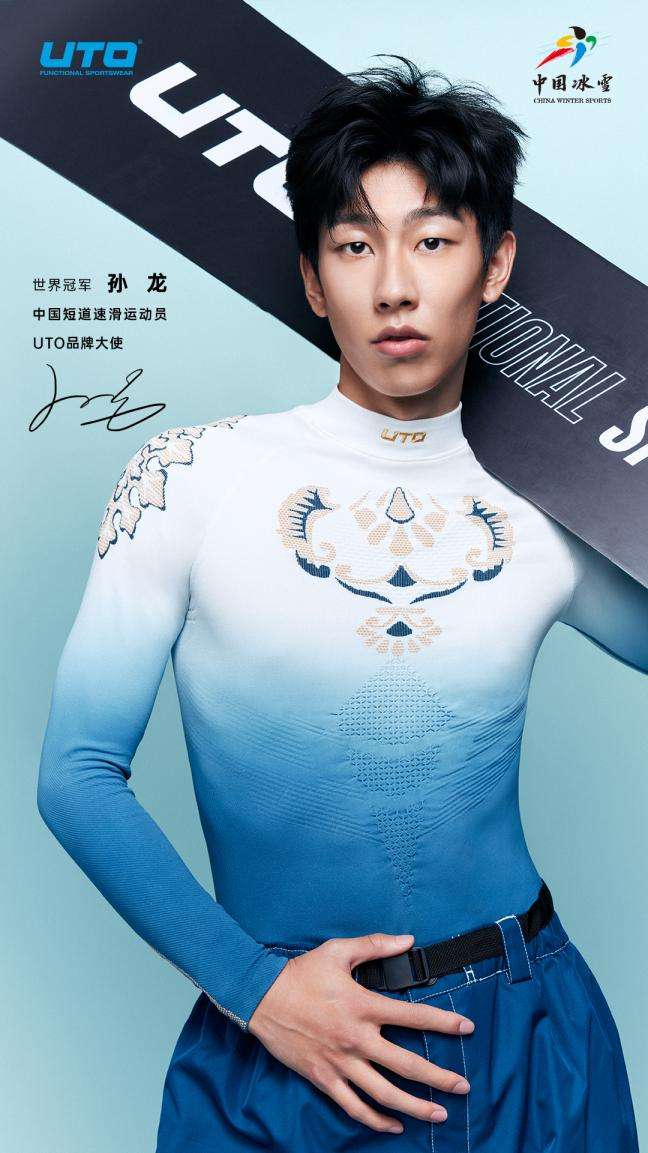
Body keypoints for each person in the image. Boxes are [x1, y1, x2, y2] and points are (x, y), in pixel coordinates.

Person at [37, 57, 647, 1152]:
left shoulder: (556, 508)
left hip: (529, 1032)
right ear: (314, 279)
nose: (396, 287)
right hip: (274, 1038)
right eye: (356, 245)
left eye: (435, 241)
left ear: (496, 264)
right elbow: (76, 775)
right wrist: (253, 990)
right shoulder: (188, 477)